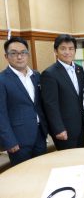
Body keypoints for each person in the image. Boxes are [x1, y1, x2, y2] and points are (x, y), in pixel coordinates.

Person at [0, 37, 48, 166]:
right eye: (14, 53)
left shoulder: (36, 76)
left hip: (40, 135)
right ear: (6, 56)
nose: (19, 56)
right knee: (23, 176)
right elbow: (1, 115)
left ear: (28, 54)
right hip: (18, 140)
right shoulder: (2, 80)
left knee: (42, 170)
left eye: (23, 52)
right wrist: (9, 141)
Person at [41, 34, 84, 150]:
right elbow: (50, 105)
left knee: (80, 159)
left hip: (80, 125)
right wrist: (58, 128)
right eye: (63, 48)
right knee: (68, 164)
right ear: (56, 51)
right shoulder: (49, 74)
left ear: (75, 50)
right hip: (64, 129)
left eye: (71, 49)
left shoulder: (79, 69)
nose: (67, 52)